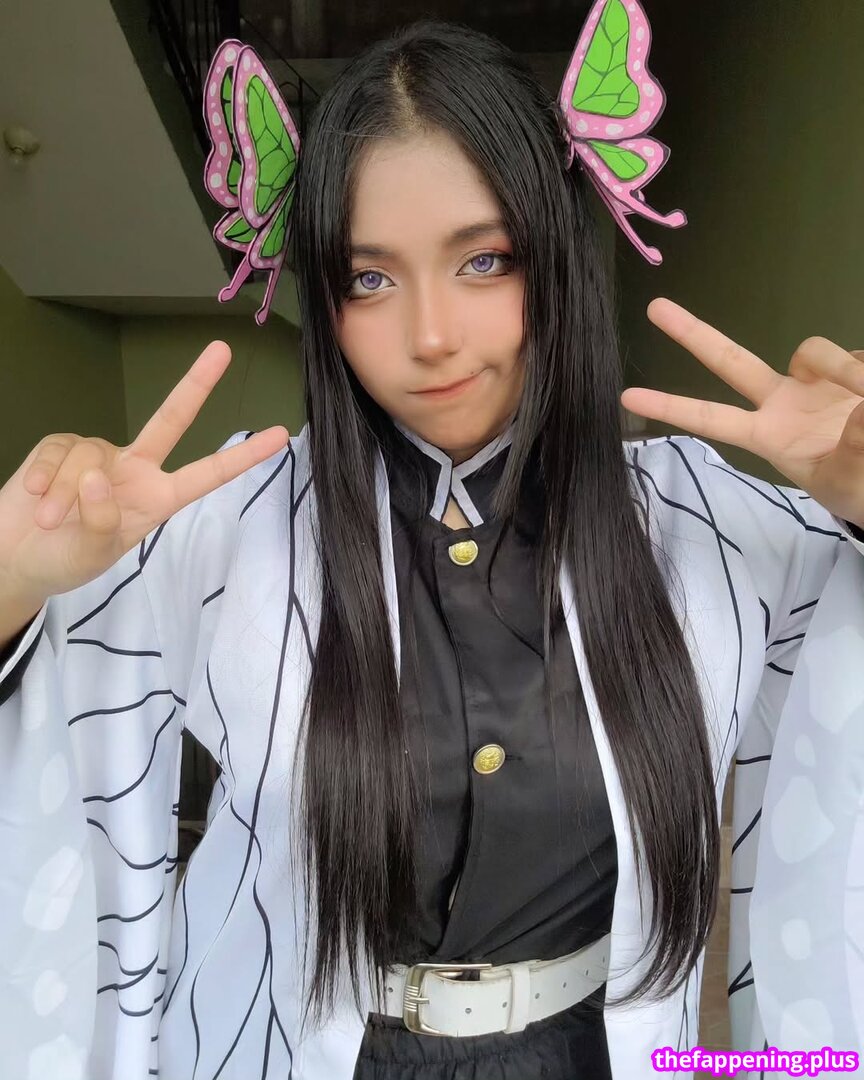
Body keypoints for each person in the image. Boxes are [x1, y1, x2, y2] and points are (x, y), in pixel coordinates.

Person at [2, 17, 864, 1080]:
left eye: (484, 261)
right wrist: (16, 577)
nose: (431, 337)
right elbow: (53, 729)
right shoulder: (230, 523)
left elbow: (844, 670)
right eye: (369, 280)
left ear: (556, 257)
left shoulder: (698, 519)